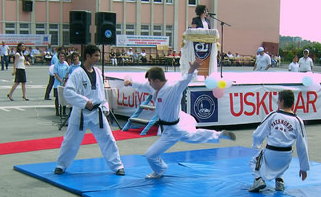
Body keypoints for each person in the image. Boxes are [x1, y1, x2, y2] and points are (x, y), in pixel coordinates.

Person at [123, 60, 236, 179]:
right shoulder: (154, 87)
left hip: (173, 127)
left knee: (150, 155)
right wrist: (130, 82)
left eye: (150, 81)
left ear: (156, 80)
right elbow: (141, 85)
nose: (149, 84)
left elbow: (185, 80)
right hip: (176, 121)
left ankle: (160, 170)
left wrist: (193, 69)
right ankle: (219, 135)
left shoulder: (173, 88)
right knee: (192, 136)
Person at [54, 44, 125, 176]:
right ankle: (61, 165)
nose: (98, 58)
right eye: (96, 56)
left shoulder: (98, 72)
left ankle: (117, 166)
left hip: (97, 113)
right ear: (88, 56)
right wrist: (85, 102)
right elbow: (68, 92)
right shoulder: (77, 73)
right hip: (80, 112)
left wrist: (105, 107)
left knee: (108, 138)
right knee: (70, 140)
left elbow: (100, 92)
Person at [248, 89, 309, 192]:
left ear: (282, 102)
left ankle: (258, 179)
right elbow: (302, 145)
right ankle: (279, 180)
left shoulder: (273, 115)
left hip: (271, 153)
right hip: (286, 157)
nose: (277, 102)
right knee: (279, 164)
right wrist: (303, 167)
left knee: (254, 161)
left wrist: (256, 145)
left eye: (278, 100)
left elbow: (257, 133)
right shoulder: (298, 120)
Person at [53, 51, 70, 116]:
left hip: (64, 83)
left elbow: (67, 72)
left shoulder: (66, 64)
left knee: (64, 98)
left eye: (63, 56)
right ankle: (57, 111)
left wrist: (65, 81)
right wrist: (61, 81)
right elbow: (55, 73)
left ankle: (64, 111)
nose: (62, 57)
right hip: (57, 83)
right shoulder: (56, 65)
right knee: (57, 98)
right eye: (60, 56)